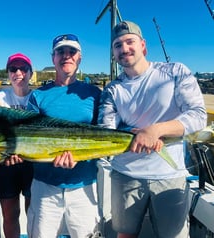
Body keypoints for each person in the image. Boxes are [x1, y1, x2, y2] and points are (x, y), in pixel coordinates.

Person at [98, 21, 207, 238]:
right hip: (125, 174)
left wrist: (156, 130)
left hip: (170, 174)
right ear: (113, 53)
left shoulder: (175, 72)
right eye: (117, 45)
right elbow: (106, 129)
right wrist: (141, 136)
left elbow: (198, 115)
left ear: (143, 45)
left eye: (130, 41)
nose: (124, 48)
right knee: (124, 234)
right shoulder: (112, 89)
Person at [26, 34, 102, 237]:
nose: (66, 56)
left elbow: (104, 133)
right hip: (45, 186)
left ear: (79, 58)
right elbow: (29, 137)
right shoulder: (37, 95)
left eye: (72, 52)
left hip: (84, 186)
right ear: (53, 58)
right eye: (60, 51)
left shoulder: (94, 94)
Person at [0, 53, 34, 238]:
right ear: (8, 73)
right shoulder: (2, 95)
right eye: (13, 69)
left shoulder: (37, 97)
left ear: (30, 73)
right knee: (10, 214)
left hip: (32, 161)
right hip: (6, 162)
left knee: (33, 212)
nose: (18, 72)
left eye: (23, 68)